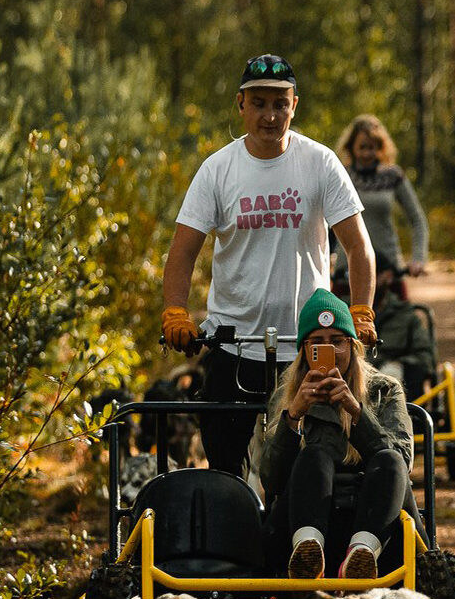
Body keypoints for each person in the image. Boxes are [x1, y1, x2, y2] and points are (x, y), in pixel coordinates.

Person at [161, 54, 379, 477]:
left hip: (308, 348)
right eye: (259, 103)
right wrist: (175, 311)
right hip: (232, 343)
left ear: (294, 105)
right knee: (224, 467)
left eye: (280, 103)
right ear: (241, 105)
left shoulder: (320, 163)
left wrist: (361, 311)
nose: (270, 115)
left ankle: (302, 539)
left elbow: (358, 247)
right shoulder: (218, 170)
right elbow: (183, 251)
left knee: (307, 465)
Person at [251, 288, 414, 580]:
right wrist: (293, 417)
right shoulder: (287, 396)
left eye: (337, 341)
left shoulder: (384, 390)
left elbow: (401, 462)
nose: (330, 351)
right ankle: (307, 552)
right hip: (304, 520)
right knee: (315, 454)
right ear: (305, 350)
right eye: (318, 343)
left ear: (352, 345)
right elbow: (271, 479)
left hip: (374, 521)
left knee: (389, 460)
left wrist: (355, 411)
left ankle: (361, 556)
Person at [335, 114, 429, 281]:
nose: (367, 153)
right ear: (351, 147)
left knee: (405, 308)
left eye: (372, 147)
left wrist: (419, 259)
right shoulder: (340, 175)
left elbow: (417, 219)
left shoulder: (393, 175)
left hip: (390, 271)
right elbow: (326, 222)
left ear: (380, 147)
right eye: (362, 147)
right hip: (347, 271)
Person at [372, 252, 436, 400]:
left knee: (394, 375)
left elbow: (425, 357)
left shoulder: (407, 316)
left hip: (401, 396)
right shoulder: (343, 315)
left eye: (371, 274)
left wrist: (399, 366)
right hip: (354, 389)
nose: (364, 280)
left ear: (387, 276)